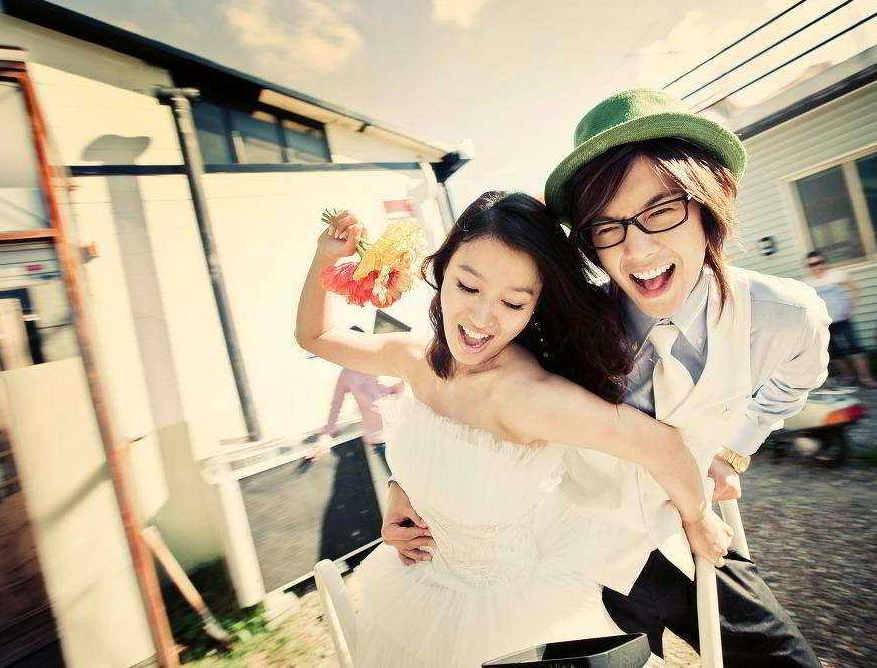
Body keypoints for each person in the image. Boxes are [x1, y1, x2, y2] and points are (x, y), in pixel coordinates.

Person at [386, 89, 830, 666]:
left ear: (710, 202)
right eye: (606, 225)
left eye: (661, 211)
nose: (637, 249)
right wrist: (406, 487)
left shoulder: (783, 316)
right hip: (567, 554)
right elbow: (452, 392)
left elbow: (793, 384)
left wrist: (732, 451)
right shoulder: (555, 323)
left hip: (683, 538)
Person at [296, 191, 732, 667]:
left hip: (505, 616)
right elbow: (315, 337)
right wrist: (325, 257)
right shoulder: (418, 358)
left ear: (535, 307)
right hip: (417, 586)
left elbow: (660, 445)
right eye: (467, 287)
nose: (482, 319)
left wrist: (698, 518)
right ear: (441, 271)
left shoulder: (526, 397)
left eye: (512, 302)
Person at [318, 343, 404, 475]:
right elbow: (336, 405)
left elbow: (404, 390)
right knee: (402, 482)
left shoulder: (383, 364)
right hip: (380, 439)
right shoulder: (347, 374)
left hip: (402, 434)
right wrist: (326, 435)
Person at [804, 250, 877, 388]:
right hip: (825, 323)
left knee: (855, 348)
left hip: (843, 319)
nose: (816, 266)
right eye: (812, 265)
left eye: (819, 262)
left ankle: (866, 379)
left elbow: (854, 288)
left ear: (824, 262)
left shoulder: (835, 275)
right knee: (835, 352)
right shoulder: (808, 283)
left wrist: (851, 307)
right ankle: (848, 377)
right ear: (808, 267)